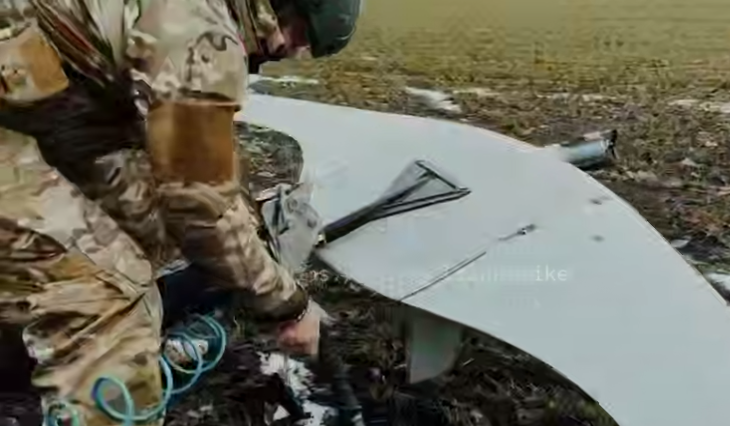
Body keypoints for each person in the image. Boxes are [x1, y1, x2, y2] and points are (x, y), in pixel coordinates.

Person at [0, 0, 361, 424]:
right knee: (111, 297)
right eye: (301, 36)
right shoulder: (202, 33)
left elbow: (186, 177)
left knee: (141, 230)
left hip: (30, 110)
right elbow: (201, 210)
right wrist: (289, 305)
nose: (296, 52)